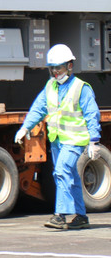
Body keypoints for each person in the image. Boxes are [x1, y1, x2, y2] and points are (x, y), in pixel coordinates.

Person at [14, 43, 102, 230]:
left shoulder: (81, 88)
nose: (55, 72)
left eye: (58, 67)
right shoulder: (50, 86)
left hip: (75, 140)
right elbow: (39, 107)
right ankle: (81, 216)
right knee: (70, 176)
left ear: (70, 66)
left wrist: (94, 141)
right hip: (57, 140)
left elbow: (92, 115)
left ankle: (60, 215)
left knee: (61, 171)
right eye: (52, 68)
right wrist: (25, 127)